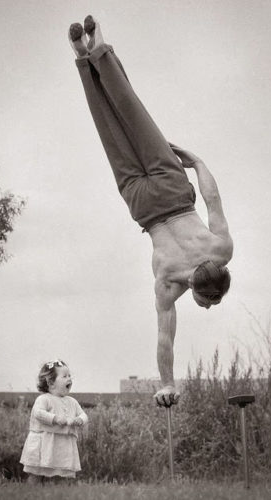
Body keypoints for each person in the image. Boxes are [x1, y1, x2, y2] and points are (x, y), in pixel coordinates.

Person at [68, 17, 233, 408]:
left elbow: (212, 199)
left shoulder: (222, 250)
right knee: (109, 128)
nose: (208, 307)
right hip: (143, 204)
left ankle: (98, 49)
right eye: (210, 302)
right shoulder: (169, 284)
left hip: (173, 190)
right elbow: (165, 337)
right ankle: (82, 57)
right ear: (194, 287)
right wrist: (167, 383)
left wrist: (197, 161)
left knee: (131, 112)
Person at [20, 359, 88, 483]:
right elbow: (38, 413)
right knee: (37, 472)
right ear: (51, 383)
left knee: (62, 472)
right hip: (45, 442)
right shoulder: (44, 399)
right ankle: (32, 491)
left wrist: (80, 420)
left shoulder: (72, 401)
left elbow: (84, 414)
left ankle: (57, 491)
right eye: (64, 376)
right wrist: (54, 418)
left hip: (63, 443)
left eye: (69, 376)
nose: (69, 379)